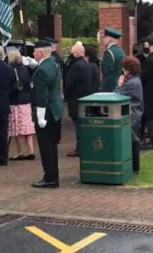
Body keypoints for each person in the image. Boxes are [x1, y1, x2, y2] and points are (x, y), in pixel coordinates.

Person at [30, 40, 64, 189]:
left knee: (46, 147)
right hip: (55, 110)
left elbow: (41, 94)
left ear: (41, 53)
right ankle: (51, 176)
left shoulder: (43, 69)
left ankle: (50, 178)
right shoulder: (53, 62)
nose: (32, 53)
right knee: (51, 146)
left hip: (46, 112)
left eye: (34, 52)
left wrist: (40, 116)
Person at [65, 44, 100, 157]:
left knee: (79, 127)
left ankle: (80, 148)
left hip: (76, 101)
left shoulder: (76, 66)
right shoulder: (88, 66)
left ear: (76, 53)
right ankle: (87, 146)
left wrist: (66, 97)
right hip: (87, 100)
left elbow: (69, 85)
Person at [115, 56, 144, 174]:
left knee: (133, 139)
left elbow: (117, 94)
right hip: (135, 111)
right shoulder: (134, 80)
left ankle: (135, 167)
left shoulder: (132, 82)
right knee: (133, 138)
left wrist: (119, 84)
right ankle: (133, 166)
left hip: (133, 113)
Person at [7, 50, 36, 161]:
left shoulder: (10, 69)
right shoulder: (25, 69)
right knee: (27, 127)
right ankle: (31, 150)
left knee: (17, 129)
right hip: (27, 101)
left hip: (15, 101)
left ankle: (20, 152)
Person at [100, 28, 125, 92]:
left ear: (110, 39)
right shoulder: (121, 51)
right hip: (119, 86)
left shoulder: (108, 52)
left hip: (109, 88)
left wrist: (103, 89)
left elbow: (106, 74)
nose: (103, 39)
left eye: (105, 37)